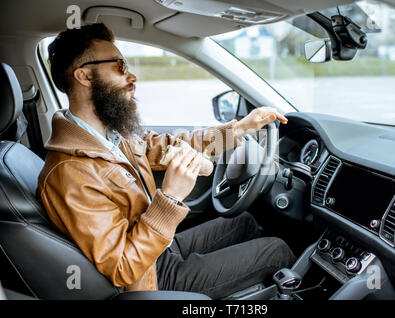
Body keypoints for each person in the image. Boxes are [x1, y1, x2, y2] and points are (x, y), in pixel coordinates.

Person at [37, 23, 296, 299]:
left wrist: (239, 130)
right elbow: (123, 268)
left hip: (159, 249)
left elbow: (172, 144)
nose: (132, 76)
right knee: (275, 250)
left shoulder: (109, 136)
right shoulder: (71, 173)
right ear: (85, 75)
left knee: (244, 221)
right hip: (150, 280)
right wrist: (170, 198)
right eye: (120, 67)